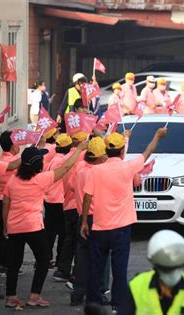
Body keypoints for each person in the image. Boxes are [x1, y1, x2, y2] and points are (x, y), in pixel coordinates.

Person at [80, 127, 167, 311]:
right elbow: (148, 151)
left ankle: (93, 302)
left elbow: (87, 196)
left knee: (96, 267)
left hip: (99, 226)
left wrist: (83, 222)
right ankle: (118, 304)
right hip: (121, 227)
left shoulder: (95, 171)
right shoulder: (128, 167)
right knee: (119, 269)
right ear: (121, 152)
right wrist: (157, 136)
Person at [2, 141, 87, 308]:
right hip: (33, 227)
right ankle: (34, 296)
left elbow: (6, 203)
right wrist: (78, 150)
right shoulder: (41, 179)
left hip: (14, 227)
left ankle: (11, 297)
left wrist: (5, 225)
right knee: (43, 259)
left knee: (14, 263)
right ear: (37, 164)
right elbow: (65, 168)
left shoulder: (12, 180)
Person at [120, 230, 184, 315]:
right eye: (167, 269)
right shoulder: (136, 287)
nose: (173, 273)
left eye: (177, 268)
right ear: (155, 266)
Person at [71, 137, 108, 306]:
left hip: (82, 218)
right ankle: (98, 293)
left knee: (82, 258)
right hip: (97, 218)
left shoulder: (79, 168)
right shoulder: (99, 172)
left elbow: (72, 187)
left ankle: (77, 294)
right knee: (100, 257)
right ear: (100, 156)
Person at [53, 131, 88, 282]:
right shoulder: (84, 158)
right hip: (78, 205)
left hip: (66, 203)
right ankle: (76, 273)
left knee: (69, 239)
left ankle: (62, 270)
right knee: (79, 242)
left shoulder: (66, 158)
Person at [0, 132, 21, 277]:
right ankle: (7, 264)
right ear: (12, 146)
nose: (19, 145)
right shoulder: (15, 161)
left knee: (1, 233)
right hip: (10, 201)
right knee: (9, 232)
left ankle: (1, 264)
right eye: (17, 142)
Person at [44, 134, 73, 272]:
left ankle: (46, 259)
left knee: (50, 232)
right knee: (62, 233)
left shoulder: (52, 159)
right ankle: (57, 260)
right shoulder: (60, 161)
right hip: (58, 200)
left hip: (49, 199)